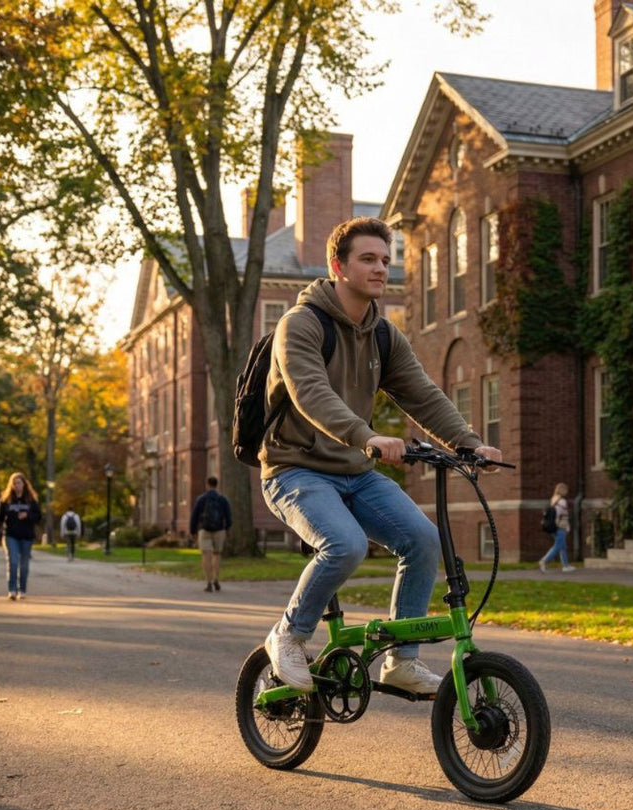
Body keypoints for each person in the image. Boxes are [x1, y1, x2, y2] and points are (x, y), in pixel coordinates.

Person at [259, 216, 502, 695]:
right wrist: (364, 434)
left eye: (386, 260)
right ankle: (289, 634)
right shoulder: (300, 325)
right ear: (338, 266)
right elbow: (310, 393)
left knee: (425, 541)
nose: (381, 269)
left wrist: (468, 443)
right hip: (295, 470)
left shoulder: (385, 336)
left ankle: (400, 661)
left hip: (355, 472)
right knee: (345, 544)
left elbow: (423, 396)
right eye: (368, 259)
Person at [0, 472, 42, 600]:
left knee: (24, 564)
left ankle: (22, 589)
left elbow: (38, 517)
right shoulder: (6, 500)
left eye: (19, 483)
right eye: (14, 483)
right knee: (13, 562)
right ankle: (12, 590)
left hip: (27, 536)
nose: (17, 486)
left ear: (24, 484)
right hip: (11, 535)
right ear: (11, 485)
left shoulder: (31, 500)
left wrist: (28, 516)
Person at [190, 477, 232, 592]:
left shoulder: (201, 499)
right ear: (216, 485)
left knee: (206, 556)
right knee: (216, 555)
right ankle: (216, 579)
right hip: (219, 530)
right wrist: (228, 528)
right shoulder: (222, 499)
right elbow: (228, 515)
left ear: (207, 485)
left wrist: (192, 531)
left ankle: (208, 582)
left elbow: (195, 516)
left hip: (204, 531)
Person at [539, 483, 575, 573]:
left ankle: (565, 566)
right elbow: (564, 515)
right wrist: (567, 526)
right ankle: (544, 560)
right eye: (566, 489)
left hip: (553, 526)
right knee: (558, 546)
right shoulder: (562, 501)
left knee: (562, 546)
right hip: (561, 526)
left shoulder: (553, 499)